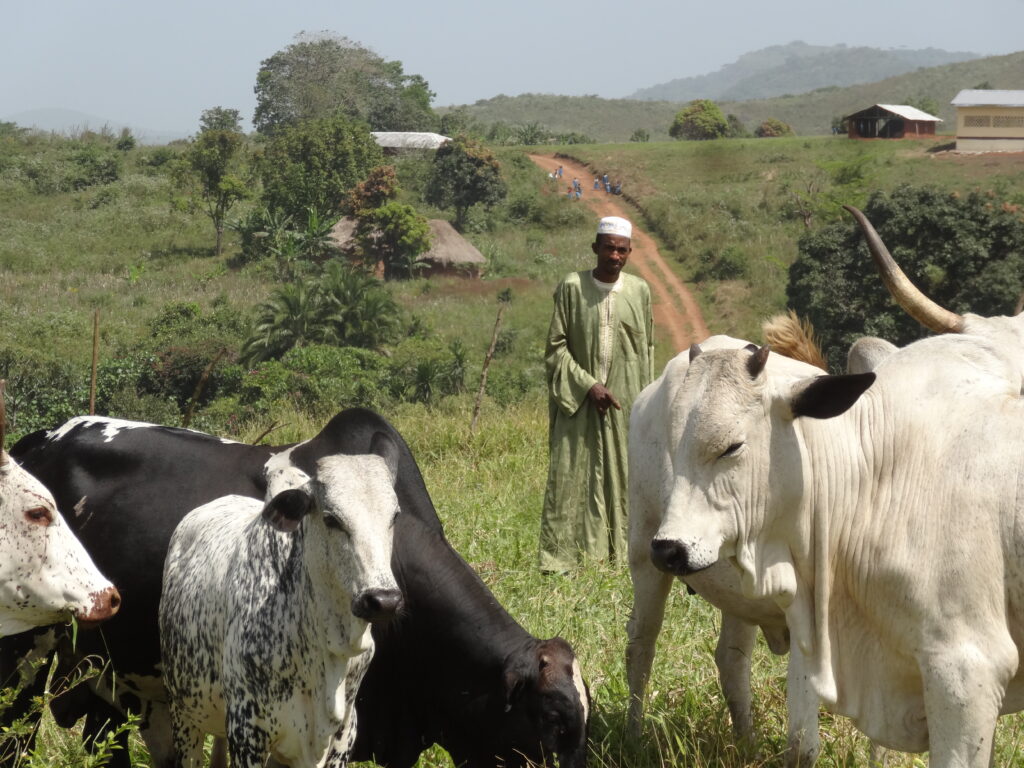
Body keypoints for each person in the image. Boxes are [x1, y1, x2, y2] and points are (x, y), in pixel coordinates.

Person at [539, 216, 654, 573]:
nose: (614, 256)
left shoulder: (639, 292)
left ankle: (624, 557)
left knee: (626, 479)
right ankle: (563, 560)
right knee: (572, 476)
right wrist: (589, 385)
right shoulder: (572, 287)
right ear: (595, 248)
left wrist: (644, 405)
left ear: (630, 252)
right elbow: (555, 349)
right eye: (608, 248)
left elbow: (646, 351)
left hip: (624, 404)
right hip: (579, 403)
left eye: (622, 250)